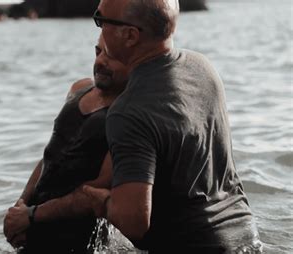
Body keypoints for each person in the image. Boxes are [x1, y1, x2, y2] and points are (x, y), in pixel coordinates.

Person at [83, 0, 263, 253]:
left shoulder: (129, 110)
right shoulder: (202, 67)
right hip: (246, 236)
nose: (99, 30)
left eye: (100, 21)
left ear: (130, 35)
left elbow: (133, 222)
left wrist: (99, 201)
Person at [3, 36, 130, 253]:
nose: (100, 61)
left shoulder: (131, 116)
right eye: (98, 51)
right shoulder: (79, 88)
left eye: (111, 55)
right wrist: (20, 208)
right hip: (32, 225)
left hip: (77, 239)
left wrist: (32, 215)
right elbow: (50, 158)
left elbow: (99, 188)